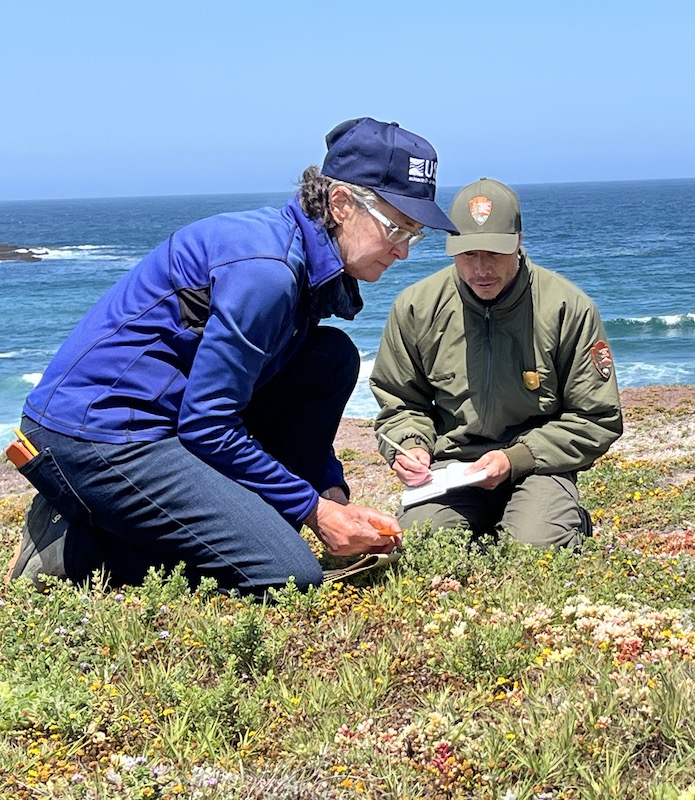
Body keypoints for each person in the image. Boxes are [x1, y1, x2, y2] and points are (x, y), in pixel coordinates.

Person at [6, 117, 458, 594]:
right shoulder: (269, 271)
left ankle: (129, 516)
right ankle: (74, 544)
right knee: (287, 573)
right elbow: (208, 424)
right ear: (342, 203)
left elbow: (272, 400)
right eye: (396, 228)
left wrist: (330, 492)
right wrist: (314, 513)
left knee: (331, 357)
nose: (404, 252)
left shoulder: (300, 256)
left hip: (166, 422)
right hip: (95, 435)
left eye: (414, 234)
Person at [370, 177, 622, 548]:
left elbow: (596, 417)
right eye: (469, 254)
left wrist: (515, 459)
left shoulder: (568, 308)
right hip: (451, 469)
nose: (481, 269)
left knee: (536, 550)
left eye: (494, 253)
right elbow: (400, 402)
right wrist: (411, 444)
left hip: (539, 466)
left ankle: (561, 518)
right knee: (421, 545)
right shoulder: (416, 307)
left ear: (519, 242)